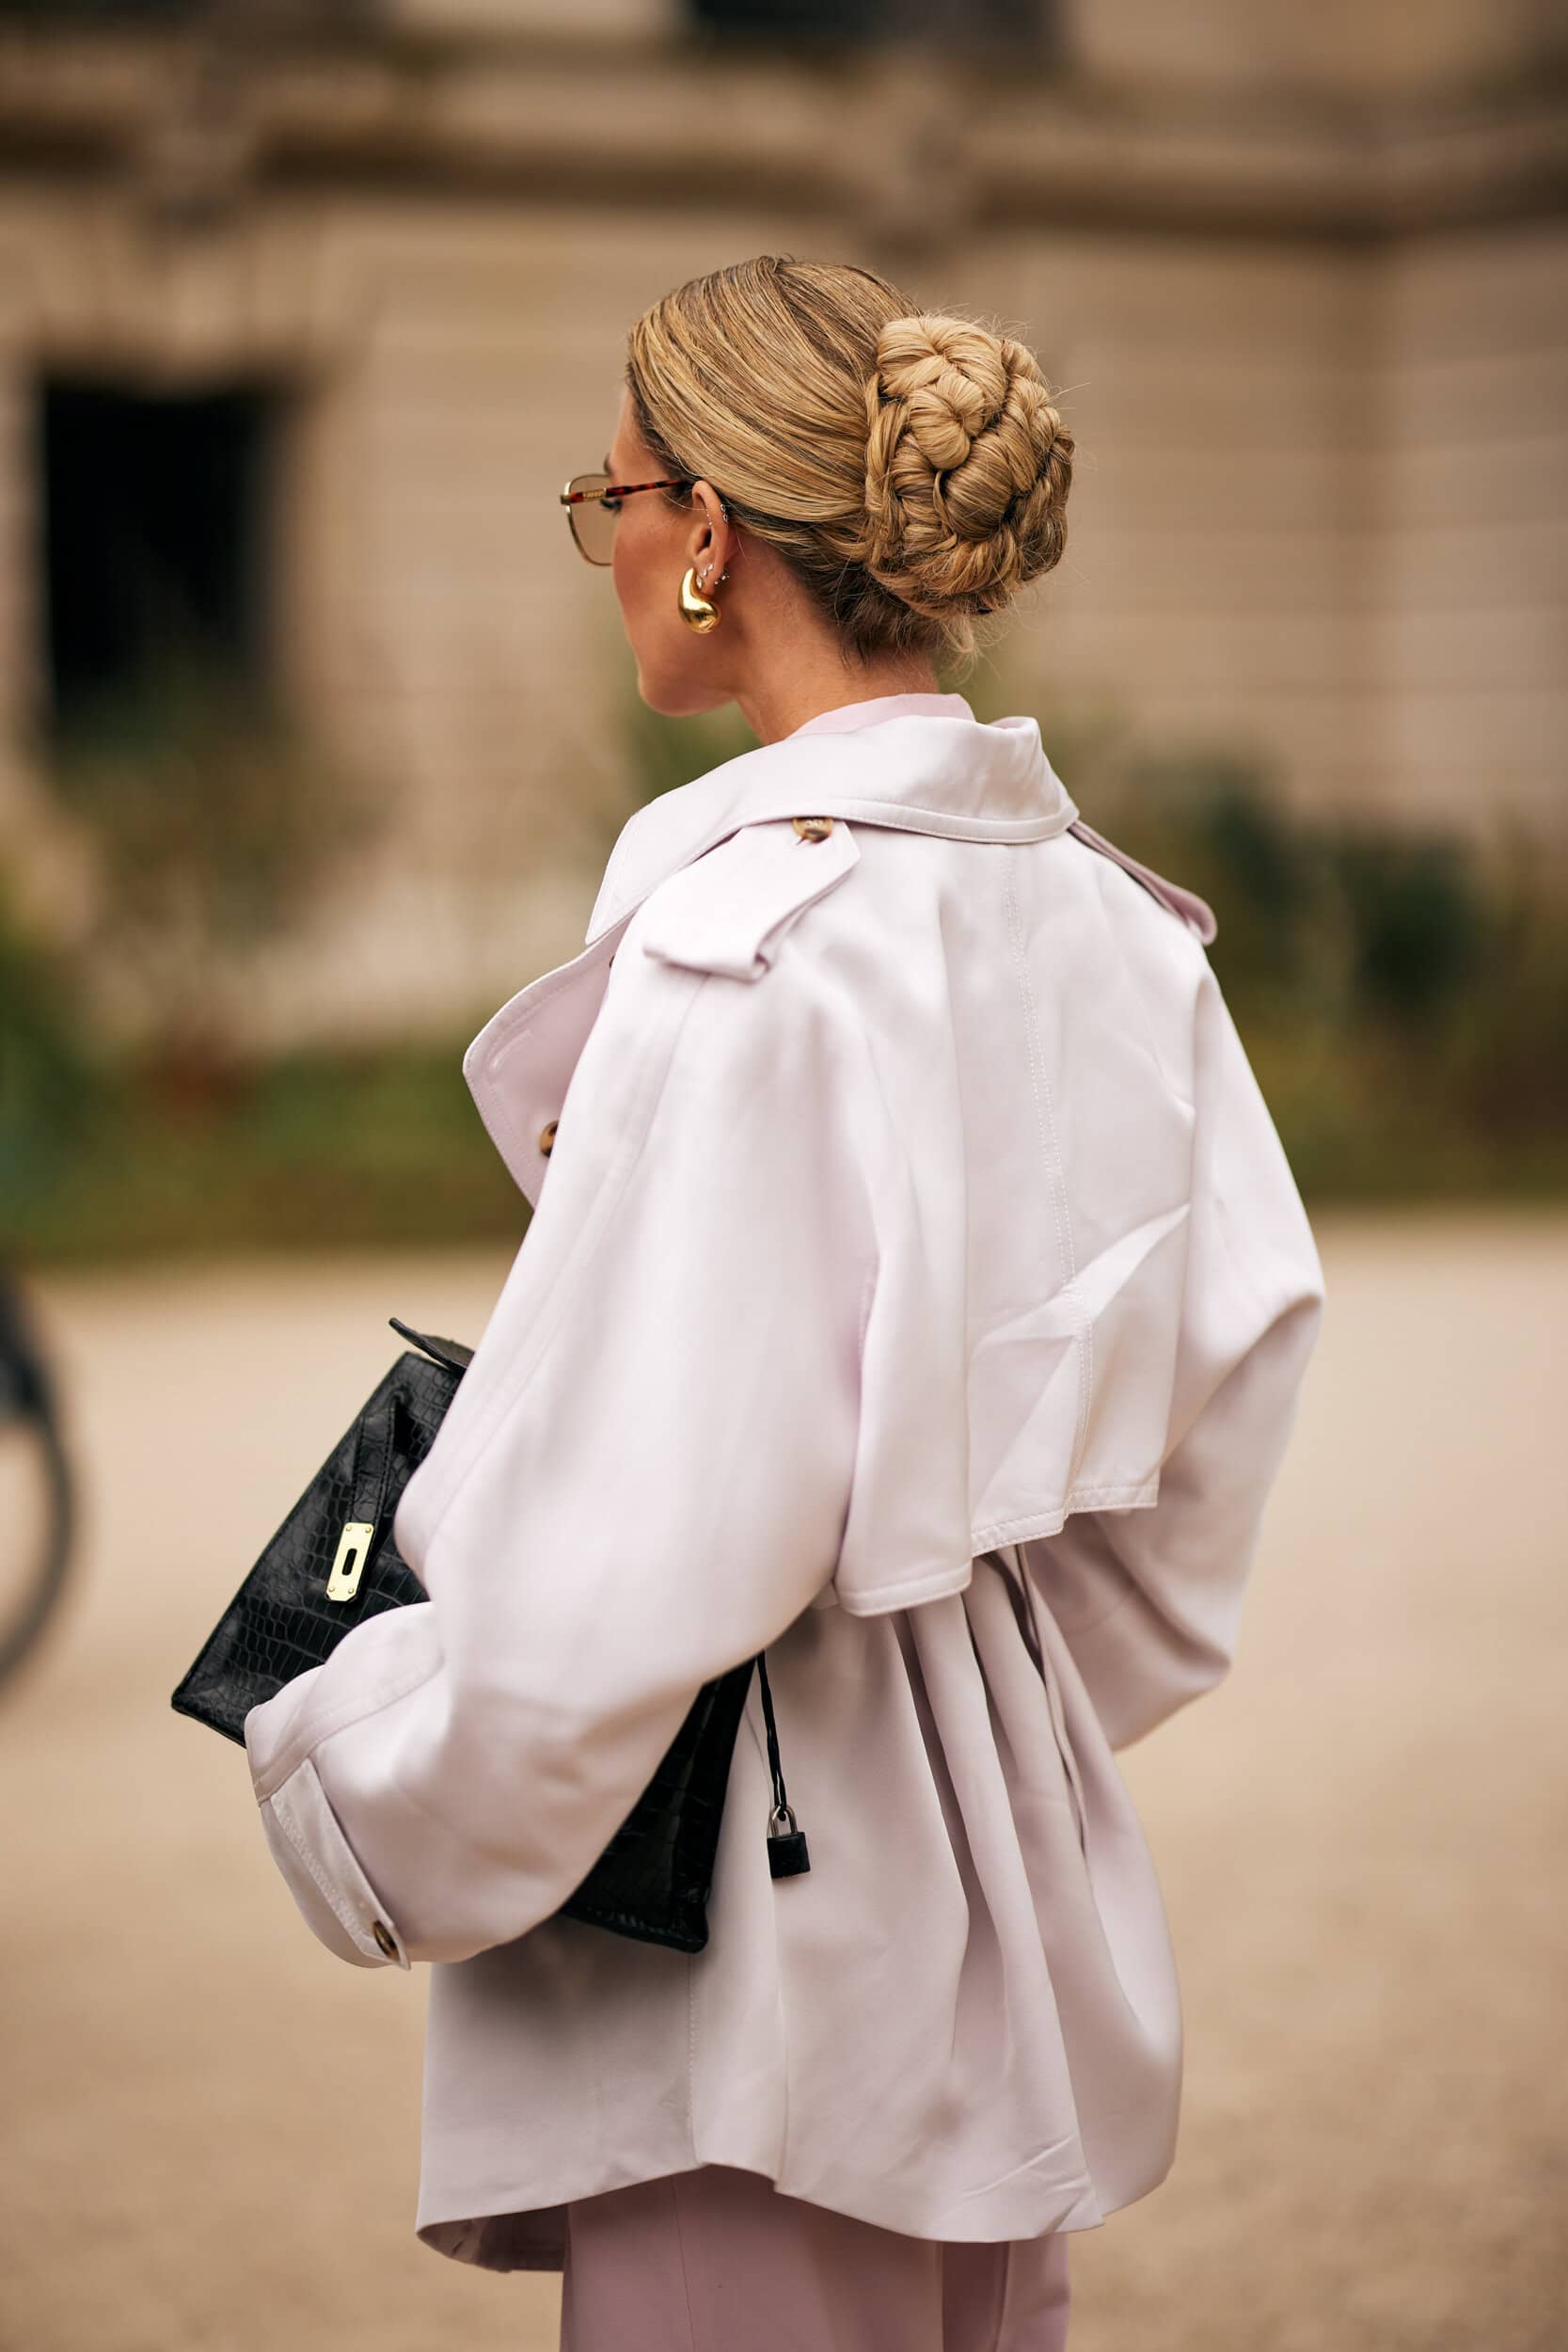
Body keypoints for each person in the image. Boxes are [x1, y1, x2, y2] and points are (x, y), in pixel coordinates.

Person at [241, 254, 1326, 2351]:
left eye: (614, 495)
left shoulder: (747, 946)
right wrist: (980, 1702)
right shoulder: (1118, 930)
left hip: (744, 1926)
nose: (611, 540)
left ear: (709, 538)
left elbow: (626, 1557)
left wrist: (354, 1780)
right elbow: (1227, 1411)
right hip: (992, 1871)